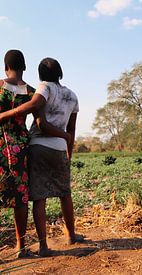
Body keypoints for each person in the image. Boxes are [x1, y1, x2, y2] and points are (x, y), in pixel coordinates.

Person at [0, 57, 84, 257]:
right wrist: (67, 146)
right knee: (29, 196)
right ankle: (23, 246)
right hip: (22, 148)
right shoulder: (35, 91)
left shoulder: (39, 90)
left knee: (38, 197)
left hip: (32, 146)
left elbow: (40, 122)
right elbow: (70, 129)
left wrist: (3, 116)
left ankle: (42, 245)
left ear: (5, 67)